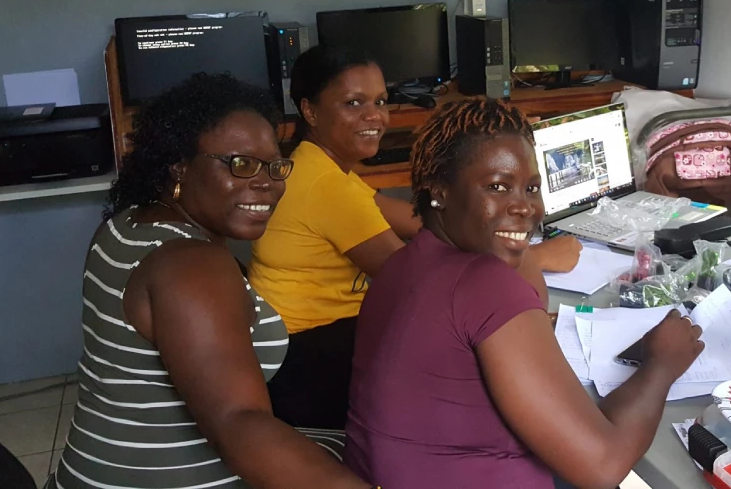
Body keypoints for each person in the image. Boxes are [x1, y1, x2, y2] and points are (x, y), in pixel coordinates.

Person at [345, 98, 704, 489]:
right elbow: (603, 467)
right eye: (497, 187)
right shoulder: (482, 284)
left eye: (531, 188)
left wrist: (516, 244)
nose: (525, 207)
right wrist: (662, 364)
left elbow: (530, 299)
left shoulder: (403, 262)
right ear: (439, 193)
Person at [51, 73, 370, 489]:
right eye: (241, 164)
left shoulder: (126, 225)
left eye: (275, 166)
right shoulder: (191, 265)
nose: (266, 183)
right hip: (168, 480)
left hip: (93, 473)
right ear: (179, 165)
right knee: (376, 459)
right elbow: (239, 424)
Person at [248, 46, 582, 429]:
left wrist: (467, 213)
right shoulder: (326, 186)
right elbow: (421, 284)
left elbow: (414, 220)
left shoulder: (317, 166)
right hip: (309, 362)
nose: (374, 116)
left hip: (296, 346)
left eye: (380, 101)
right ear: (310, 111)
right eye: (354, 103)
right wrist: (534, 255)